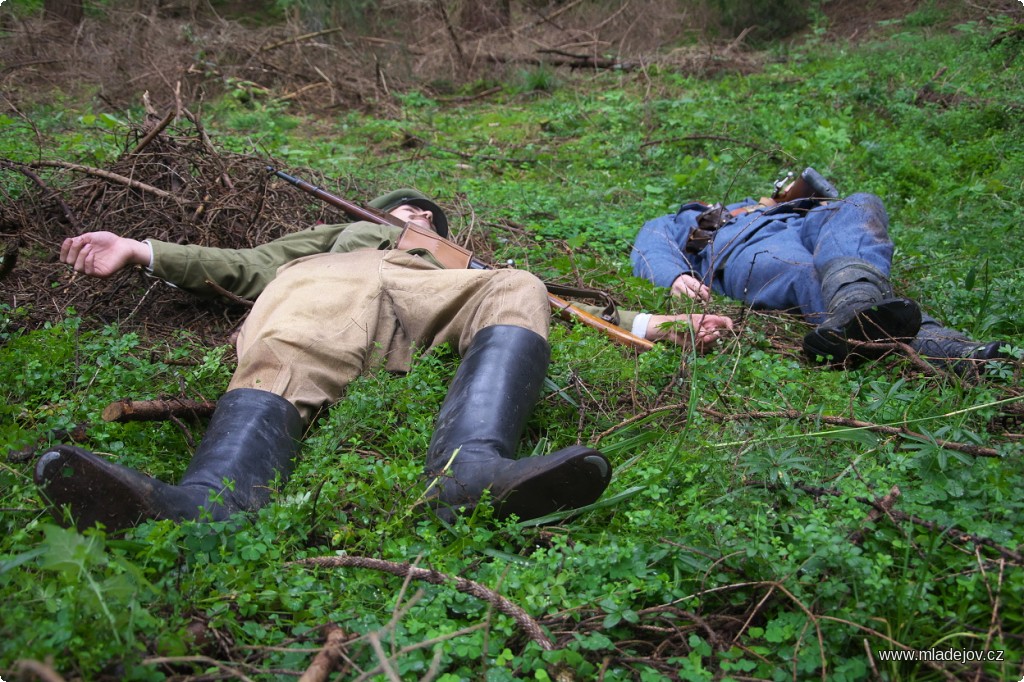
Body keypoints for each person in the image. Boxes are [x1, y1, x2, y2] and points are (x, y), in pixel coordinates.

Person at [37, 188, 734, 532]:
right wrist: (143, 251)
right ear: (378, 213)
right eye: (404, 210)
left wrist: (665, 323)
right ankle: (207, 504)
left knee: (520, 286)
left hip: (433, 297)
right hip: (331, 291)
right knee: (287, 337)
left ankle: (471, 475)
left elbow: (572, 308)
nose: (416, 217)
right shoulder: (338, 236)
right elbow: (246, 267)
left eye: (427, 215)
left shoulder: (458, 258)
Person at [630, 185, 1008, 374]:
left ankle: (855, 299)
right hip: (748, 250)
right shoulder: (688, 220)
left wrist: (802, 199)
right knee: (804, 271)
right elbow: (651, 242)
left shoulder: (778, 202)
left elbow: (843, 219)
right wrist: (676, 275)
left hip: (812, 228)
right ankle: (940, 344)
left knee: (860, 202)